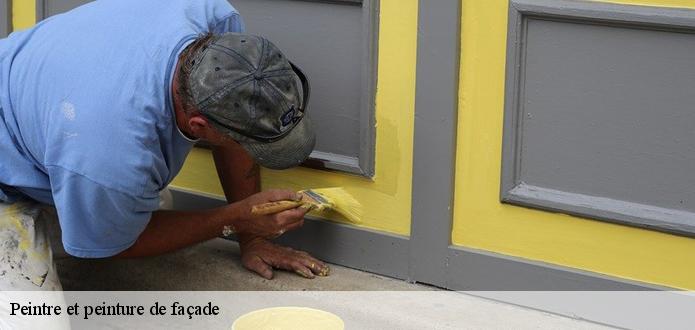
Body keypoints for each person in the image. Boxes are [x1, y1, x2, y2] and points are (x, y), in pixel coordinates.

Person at [0, 0, 329, 291]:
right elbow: (120, 245)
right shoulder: (111, 157)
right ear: (199, 126)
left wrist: (252, 237)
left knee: (134, 203)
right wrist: (237, 220)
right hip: (19, 166)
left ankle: (71, 203)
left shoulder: (213, 20)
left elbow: (234, 114)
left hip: (49, 120)